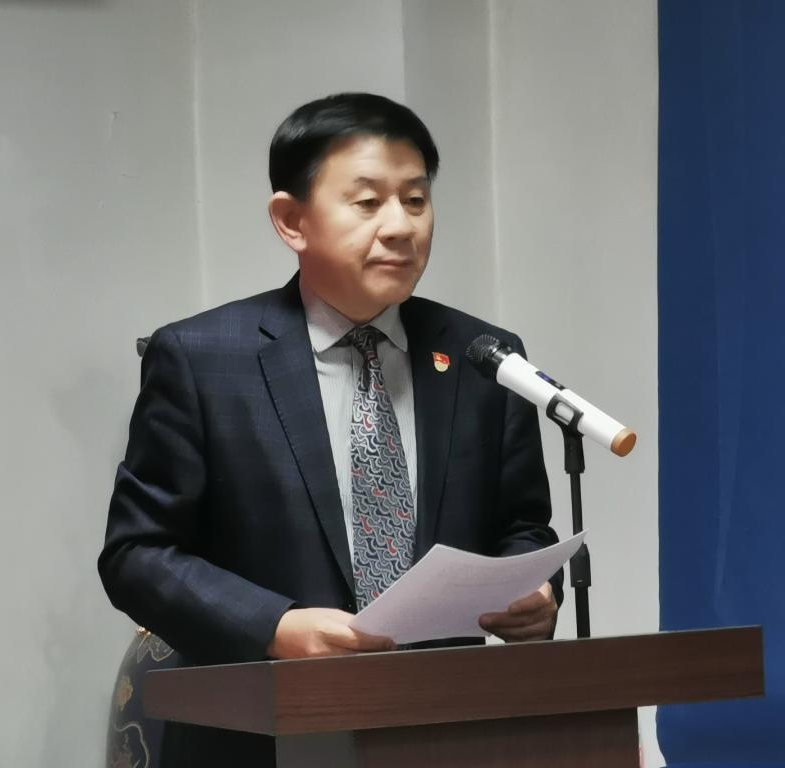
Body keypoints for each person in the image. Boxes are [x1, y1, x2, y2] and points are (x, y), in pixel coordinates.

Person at [99, 92, 562, 766]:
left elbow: (521, 527)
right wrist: (275, 626)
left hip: (447, 732)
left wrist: (535, 594)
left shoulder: (480, 355)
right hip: (258, 739)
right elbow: (137, 554)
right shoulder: (202, 360)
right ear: (292, 221)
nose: (400, 226)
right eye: (368, 202)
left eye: (416, 199)